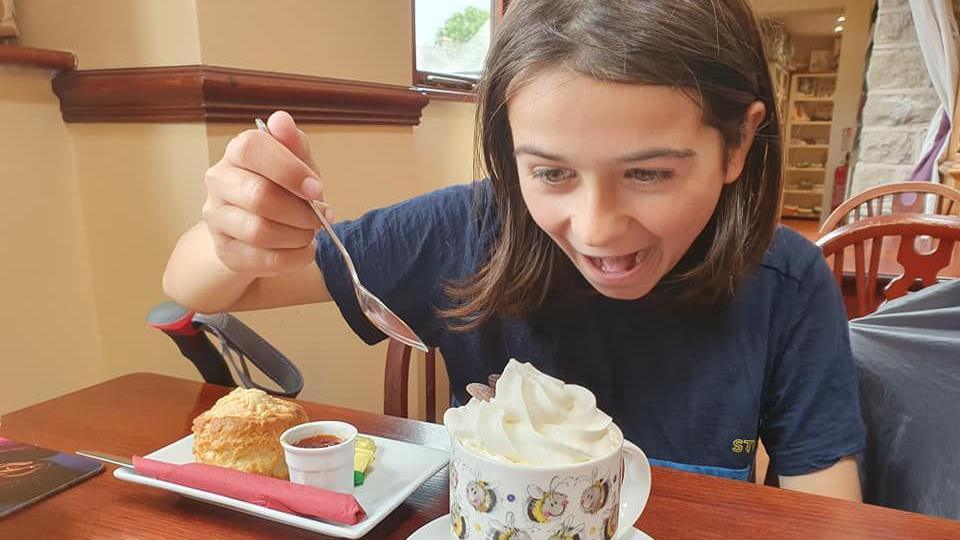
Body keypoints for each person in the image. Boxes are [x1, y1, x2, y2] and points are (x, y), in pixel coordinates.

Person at [163, 0, 863, 500]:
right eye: (551, 172)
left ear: (738, 143)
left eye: (649, 173)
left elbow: (824, 499)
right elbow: (198, 287)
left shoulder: (785, 281)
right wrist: (236, 236)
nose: (595, 229)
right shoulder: (466, 229)